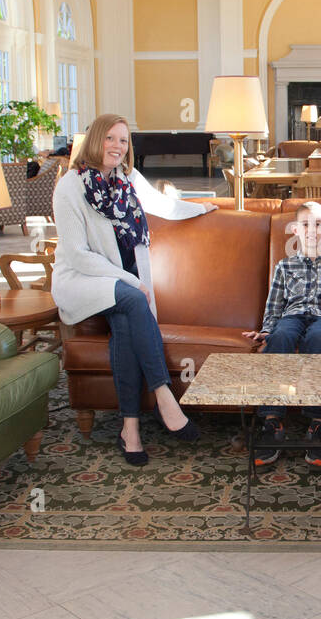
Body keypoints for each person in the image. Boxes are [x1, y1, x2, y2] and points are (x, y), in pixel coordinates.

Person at [51, 113, 217, 466]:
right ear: (95, 140)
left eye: (124, 141)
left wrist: (204, 207)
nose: (117, 146)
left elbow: (162, 205)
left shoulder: (127, 179)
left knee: (127, 320)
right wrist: (131, 282)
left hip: (121, 283)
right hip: (82, 280)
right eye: (110, 138)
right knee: (131, 299)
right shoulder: (71, 186)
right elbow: (78, 254)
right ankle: (164, 396)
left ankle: (130, 429)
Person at [242, 201, 321, 470]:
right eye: (305, 224)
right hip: (292, 315)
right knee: (280, 337)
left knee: (317, 339)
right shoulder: (284, 266)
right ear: (295, 230)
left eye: (317, 224)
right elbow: (275, 303)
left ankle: (316, 424)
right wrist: (267, 328)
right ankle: (272, 420)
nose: (312, 230)